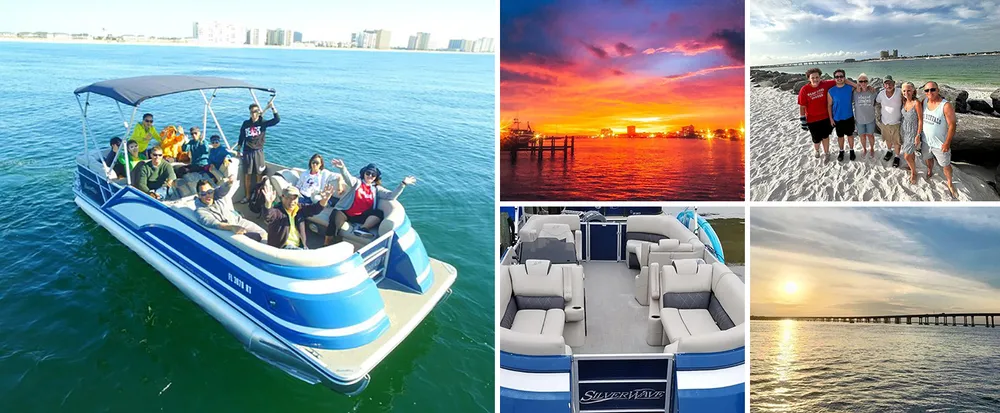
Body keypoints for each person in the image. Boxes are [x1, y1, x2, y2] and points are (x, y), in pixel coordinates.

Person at [324, 159, 416, 245]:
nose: (370, 176)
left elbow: (391, 196)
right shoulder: (357, 183)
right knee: (334, 221)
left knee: (379, 213)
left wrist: (403, 184)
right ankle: (327, 243)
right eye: (368, 173)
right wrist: (342, 168)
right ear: (364, 173)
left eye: (373, 174)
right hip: (345, 211)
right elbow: (348, 178)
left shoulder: (376, 189)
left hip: (362, 216)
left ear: (376, 177)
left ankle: (363, 229)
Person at [261, 184, 337, 249]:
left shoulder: (299, 208)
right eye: (288, 198)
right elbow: (268, 216)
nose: (291, 202)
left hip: (299, 246)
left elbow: (315, 209)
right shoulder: (277, 211)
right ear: (282, 197)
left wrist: (324, 200)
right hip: (281, 248)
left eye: (294, 198)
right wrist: (268, 204)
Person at [194, 177, 268, 242]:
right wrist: (232, 227)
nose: (207, 195)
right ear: (198, 195)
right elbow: (213, 223)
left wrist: (229, 182)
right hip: (228, 230)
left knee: (263, 234)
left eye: (209, 192)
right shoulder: (200, 211)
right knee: (256, 238)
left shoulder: (216, 194)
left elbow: (223, 189)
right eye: (203, 194)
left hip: (238, 221)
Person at [236, 102, 280, 203]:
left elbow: (277, 120)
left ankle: (257, 197)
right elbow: (241, 137)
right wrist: (238, 149)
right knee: (247, 175)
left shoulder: (262, 123)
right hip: (247, 152)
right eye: (252, 112)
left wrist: (272, 107)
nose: (254, 114)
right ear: (250, 113)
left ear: (259, 112)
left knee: (259, 176)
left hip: (258, 152)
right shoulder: (245, 123)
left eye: (256, 111)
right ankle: (247, 196)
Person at [920, 81, 958, 198]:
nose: (930, 92)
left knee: (945, 165)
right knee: (928, 158)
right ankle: (930, 170)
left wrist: (947, 143)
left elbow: (952, 125)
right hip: (926, 141)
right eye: (927, 90)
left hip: (940, 144)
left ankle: (950, 183)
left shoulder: (945, 105)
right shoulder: (924, 102)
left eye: (933, 89)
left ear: (938, 90)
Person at [798, 68, 837, 158]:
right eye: (813, 78)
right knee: (816, 139)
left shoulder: (825, 84)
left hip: (825, 118)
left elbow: (841, 80)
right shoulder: (804, 89)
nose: (815, 79)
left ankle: (826, 152)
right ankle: (816, 150)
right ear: (809, 79)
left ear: (820, 77)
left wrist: (857, 85)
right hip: (812, 119)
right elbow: (802, 106)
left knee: (825, 136)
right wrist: (803, 120)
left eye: (817, 77)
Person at [826, 69, 856, 161]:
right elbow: (829, 106)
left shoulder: (849, 88)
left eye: (841, 76)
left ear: (844, 77)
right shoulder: (831, 91)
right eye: (837, 77)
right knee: (840, 137)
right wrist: (831, 119)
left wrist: (847, 81)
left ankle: (851, 150)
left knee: (850, 135)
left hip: (849, 117)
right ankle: (841, 151)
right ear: (834, 78)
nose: (839, 78)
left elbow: (858, 86)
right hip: (837, 118)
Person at [875, 75, 903, 167]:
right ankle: (889, 151)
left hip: (896, 122)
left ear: (894, 83)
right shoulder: (881, 94)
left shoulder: (900, 92)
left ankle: (897, 156)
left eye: (890, 83)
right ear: (883, 85)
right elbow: (877, 102)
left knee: (897, 141)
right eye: (886, 84)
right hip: (885, 122)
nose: (888, 85)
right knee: (888, 139)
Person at [899, 82, 924, 184]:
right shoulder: (904, 101)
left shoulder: (916, 103)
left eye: (908, 90)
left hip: (912, 131)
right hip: (904, 129)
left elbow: (920, 120)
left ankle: (914, 172)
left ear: (913, 91)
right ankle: (911, 165)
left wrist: (918, 134)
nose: (906, 92)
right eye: (904, 90)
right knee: (911, 152)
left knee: (906, 156)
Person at [853, 73, 878, 158]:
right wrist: (856, 86)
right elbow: (845, 81)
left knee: (870, 135)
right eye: (861, 81)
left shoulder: (872, 91)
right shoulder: (854, 92)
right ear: (858, 82)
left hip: (870, 119)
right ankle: (864, 149)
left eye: (865, 81)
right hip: (859, 120)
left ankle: (872, 148)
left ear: (868, 82)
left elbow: (878, 101)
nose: (863, 83)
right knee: (862, 136)